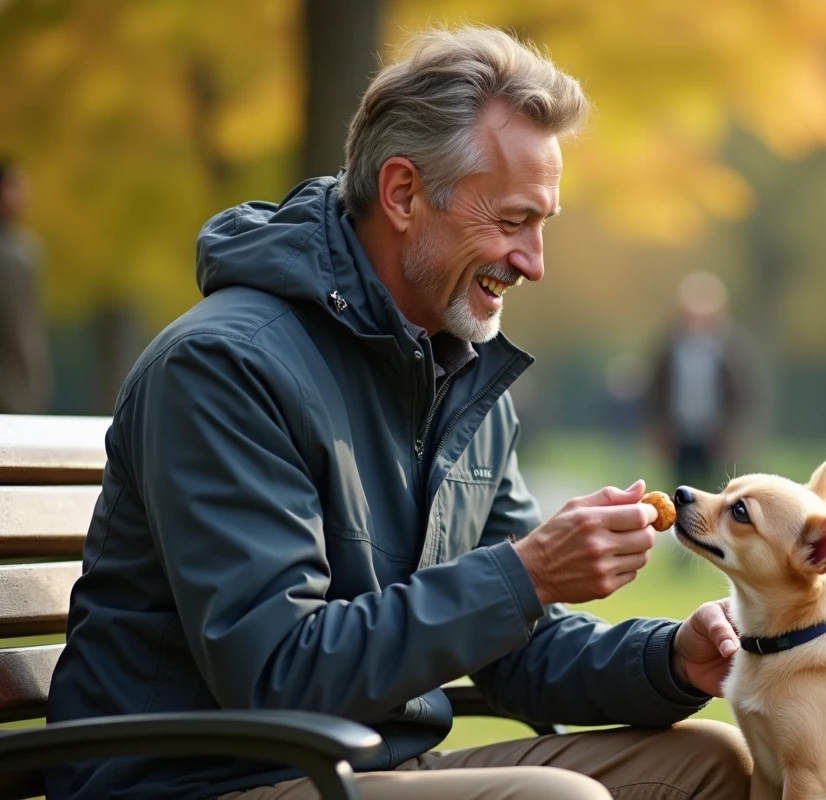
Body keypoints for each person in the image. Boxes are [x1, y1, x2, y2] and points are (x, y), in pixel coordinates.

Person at [46, 27, 751, 800]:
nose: (534, 262)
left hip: (372, 772)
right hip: (204, 782)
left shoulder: (462, 373)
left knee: (717, 764)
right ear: (404, 194)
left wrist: (670, 659)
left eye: (542, 224)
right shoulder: (225, 368)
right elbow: (279, 672)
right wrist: (529, 571)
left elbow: (517, 645)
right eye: (513, 222)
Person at [645, 271, 760, 494]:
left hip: (715, 434)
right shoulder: (669, 346)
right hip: (678, 431)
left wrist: (732, 428)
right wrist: (657, 427)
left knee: (717, 492)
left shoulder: (732, 347)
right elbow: (655, 390)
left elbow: (745, 392)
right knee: (680, 488)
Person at [0, 158, 52, 414]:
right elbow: (20, 332)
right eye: (15, 187)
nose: (23, 196)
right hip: (11, 393)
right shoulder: (16, 256)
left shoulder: (23, 250)